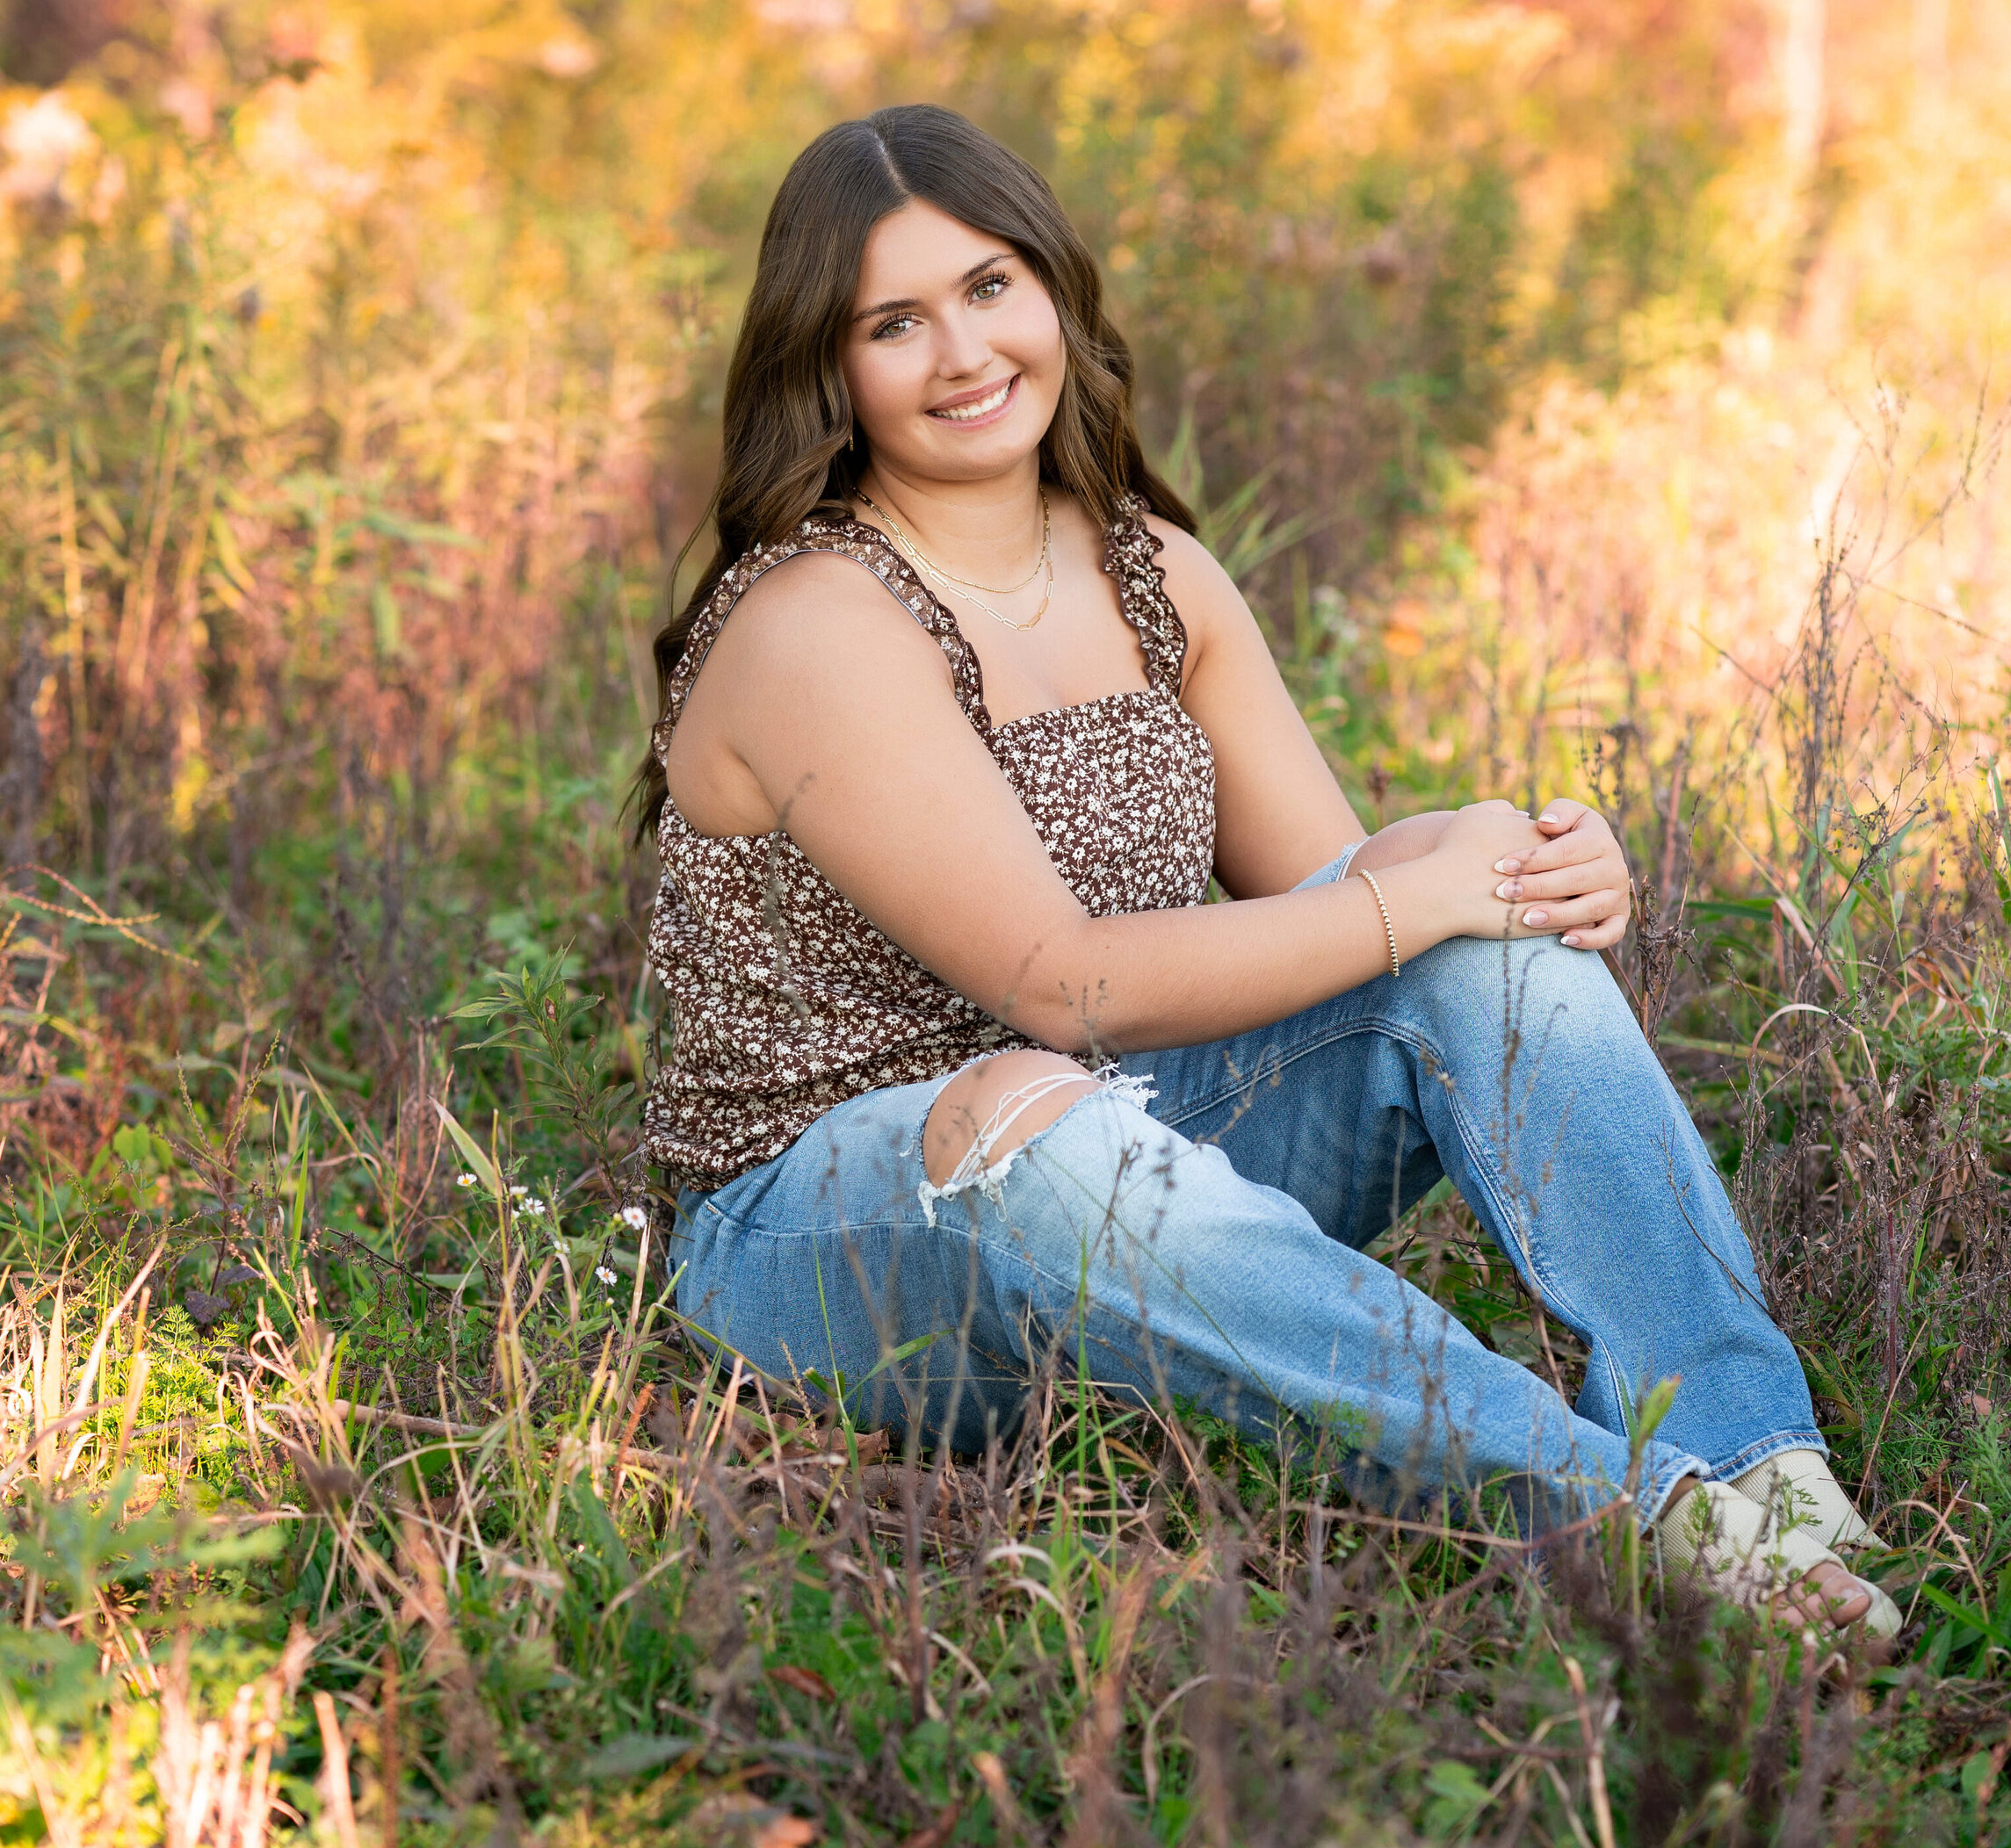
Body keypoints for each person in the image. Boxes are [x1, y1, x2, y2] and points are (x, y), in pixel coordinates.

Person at [636, 105, 1897, 1648]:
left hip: (1136, 1151)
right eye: (893, 323)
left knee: (1482, 927)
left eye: (987, 289)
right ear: (827, 369)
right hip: (843, 1235)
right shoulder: (818, 622)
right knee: (1035, 1103)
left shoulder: (1152, 574)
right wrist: (1413, 895)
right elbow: (1062, 984)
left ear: (1052, 291)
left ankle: (1761, 1463)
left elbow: (1353, 906)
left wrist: (1528, 870)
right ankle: (1630, 1515)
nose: (963, 352)